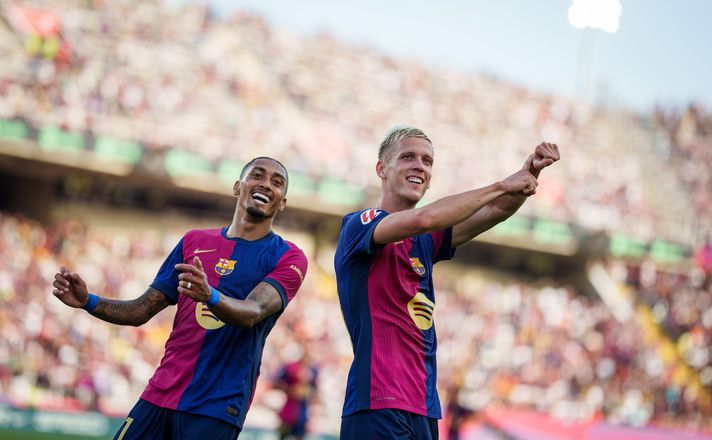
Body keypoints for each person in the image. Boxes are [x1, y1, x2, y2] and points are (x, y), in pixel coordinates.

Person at [52, 157, 308, 440]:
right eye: (257, 175)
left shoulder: (288, 256)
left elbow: (253, 311)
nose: (266, 184)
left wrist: (210, 295)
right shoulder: (193, 242)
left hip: (216, 406)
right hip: (160, 393)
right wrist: (88, 301)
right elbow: (141, 310)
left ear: (282, 202)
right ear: (238, 187)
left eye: (277, 182)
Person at [334, 126, 559, 439]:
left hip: (424, 408)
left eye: (427, 161)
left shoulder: (427, 241)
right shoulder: (360, 224)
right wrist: (500, 185)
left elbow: (495, 210)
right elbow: (424, 219)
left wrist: (529, 173)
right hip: (377, 401)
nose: (419, 166)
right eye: (408, 157)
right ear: (381, 169)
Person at [275, 346, 319, 440]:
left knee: (300, 436)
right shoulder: (289, 368)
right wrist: (290, 390)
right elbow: (276, 383)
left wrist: (307, 392)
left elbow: (315, 390)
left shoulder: (312, 370)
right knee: (283, 435)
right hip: (288, 411)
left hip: (302, 412)